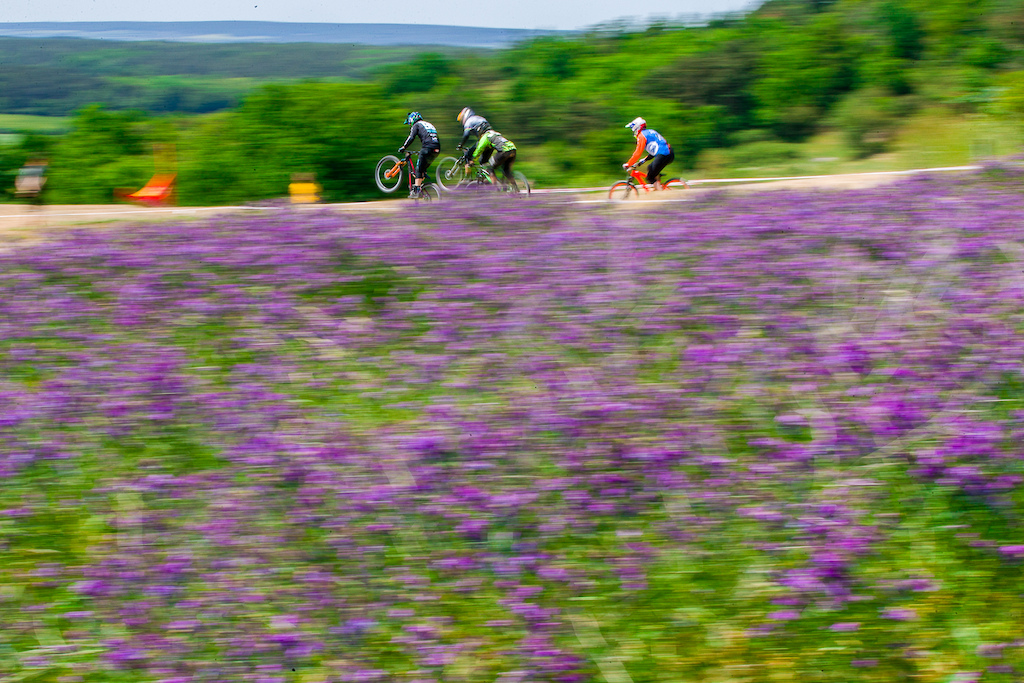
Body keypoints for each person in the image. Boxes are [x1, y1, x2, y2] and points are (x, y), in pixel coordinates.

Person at [623, 117, 674, 190]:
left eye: (633, 129)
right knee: (650, 168)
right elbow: (656, 150)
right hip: (669, 153)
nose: (633, 131)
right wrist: (644, 160)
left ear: (638, 127)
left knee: (650, 177)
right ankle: (659, 187)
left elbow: (637, 153)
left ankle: (661, 194)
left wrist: (629, 164)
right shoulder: (650, 132)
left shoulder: (641, 136)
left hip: (664, 154)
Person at [398, 112, 440, 198]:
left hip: (427, 148)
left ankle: (416, 191)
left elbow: (411, 137)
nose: (410, 125)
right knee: (421, 170)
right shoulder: (428, 124)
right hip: (436, 149)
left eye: (410, 123)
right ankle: (421, 183)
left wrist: (404, 146)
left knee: (418, 169)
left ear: (412, 119)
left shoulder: (416, 125)